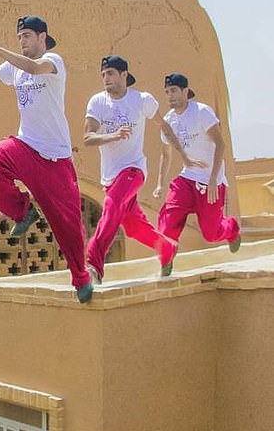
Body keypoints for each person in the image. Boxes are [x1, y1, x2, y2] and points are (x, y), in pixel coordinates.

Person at [0, 17, 92, 303]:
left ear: (42, 37)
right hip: (26, 146)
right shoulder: (13, 68)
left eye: (27, 36)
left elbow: (34, 67)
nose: (22, 41)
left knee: (68, 227)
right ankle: (22, 211)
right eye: (19, 36)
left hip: (55, 159)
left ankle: (81, 278)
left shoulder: (52, 61)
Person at [82, 56, 200, 283]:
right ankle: (166, 248)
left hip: (134, 170)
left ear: (124, 75)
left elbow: (163, 124)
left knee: (112, 204)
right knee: (135, 228)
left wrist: (183, 154)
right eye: (103, 74)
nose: (106, 78)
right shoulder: (97, 102)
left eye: (111, 73)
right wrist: (113, 135)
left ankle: (94, 264)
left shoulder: (142, 100)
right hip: (110, 177)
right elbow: (88, 137)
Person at [154, 72, 241, 252]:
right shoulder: (169, 120)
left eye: (174, 91)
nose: (170, 96)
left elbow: (220, 144)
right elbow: (166, 153)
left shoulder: (202, 112)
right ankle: (167, 252)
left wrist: (213, 180)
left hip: (210, 181)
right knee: (168, 221)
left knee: (211, 234)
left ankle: (231, 228)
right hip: (187, 179)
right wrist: (160, 184)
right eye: (167, 92)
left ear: (185, 91)